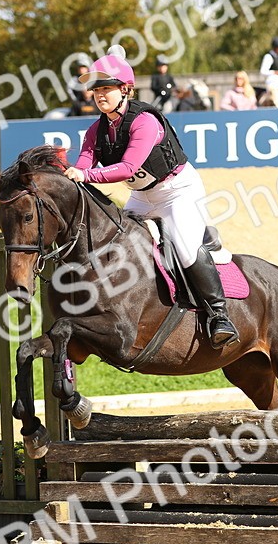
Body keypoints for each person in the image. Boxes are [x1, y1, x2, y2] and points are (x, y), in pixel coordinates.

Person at [64, 46, 238, 347]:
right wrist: (69, 173)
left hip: (177, 192)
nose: (99, 95)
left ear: (125, 89)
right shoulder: (95, 130)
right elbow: (84, 165)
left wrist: (85, 175)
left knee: (185, 248)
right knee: (118, 244)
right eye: (96, 90)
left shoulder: (145, 121)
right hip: (142, 196)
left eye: (106, 89)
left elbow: (128, 168)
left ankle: (219, 315)